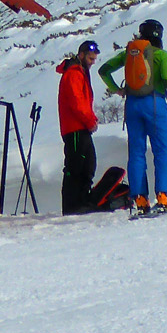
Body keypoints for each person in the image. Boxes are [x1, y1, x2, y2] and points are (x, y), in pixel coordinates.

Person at [99, 19, 167, 211]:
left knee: (136, 153)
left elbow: (104, 70)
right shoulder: (161, 55)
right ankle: (164, 195)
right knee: (161, 151)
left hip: (132, 106)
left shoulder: (129, 54)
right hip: (155, 104)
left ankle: (140, 199)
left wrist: (117, 89)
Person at [55, 41, 100, 214]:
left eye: (94, 59)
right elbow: (77, 102)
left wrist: (90, 120)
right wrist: (90, 121)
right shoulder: (74, 73)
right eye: (90, 58)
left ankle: (81, 201)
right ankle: (73, 205)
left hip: (80, 126)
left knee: (87, 165)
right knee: (76, 166)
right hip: (75, 128)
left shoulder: (79, 72)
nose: (92, 62)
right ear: (81, 55)